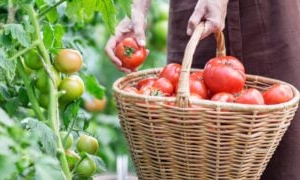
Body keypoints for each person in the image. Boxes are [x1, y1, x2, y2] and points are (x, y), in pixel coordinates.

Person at [105, 0, 300, 179]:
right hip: (194, 14)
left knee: (281, 156)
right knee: (186, 148)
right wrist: (137, 8)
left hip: (268, 16)